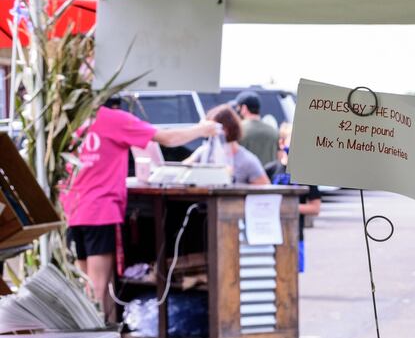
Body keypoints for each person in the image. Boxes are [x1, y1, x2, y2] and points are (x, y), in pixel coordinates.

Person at [60, 98, 220, 320]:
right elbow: (168, 138)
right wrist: (201, 129)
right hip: (100, 211)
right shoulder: (115, 119)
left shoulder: (71, 118)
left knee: (86, 284)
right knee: (97, 288)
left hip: (71, 210)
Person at [271, 122, 322, 272]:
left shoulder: (306, 172)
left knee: (291, 280)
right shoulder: (270, 169)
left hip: (294, 236)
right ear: (282, 143)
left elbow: (315, 207)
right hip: (269, 235)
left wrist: (289, 208)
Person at [188, 106, 270, 185]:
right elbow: (182, 171)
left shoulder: (247, 161)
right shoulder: (204, 153)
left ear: (226, 129)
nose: (209, 133)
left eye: (212, 127)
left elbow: (265, 191)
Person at [233, 91, 280, 173]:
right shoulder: (274, 132)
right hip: (270, 182)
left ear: (244, 108)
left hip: (245, 182)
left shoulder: (237, 129)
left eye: (238, 107)